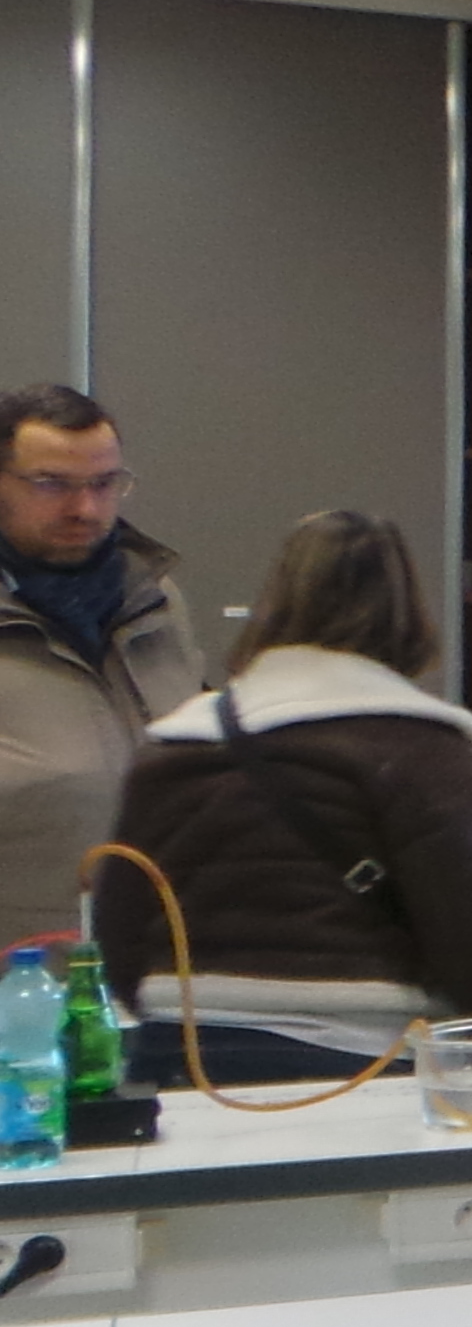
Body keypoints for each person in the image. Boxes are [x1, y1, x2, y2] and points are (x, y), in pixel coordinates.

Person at [94, 512, 472, 1085]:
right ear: (408, 614)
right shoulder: (417, 749)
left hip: (177, 1055)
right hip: (352, 1058)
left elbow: (119, 932)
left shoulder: (173, 748)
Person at [0, 385, 195, 938]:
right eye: (51, 484)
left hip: (161, 958)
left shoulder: (154, 602)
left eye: (104, 484)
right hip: (22, 968)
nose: (84, 509)